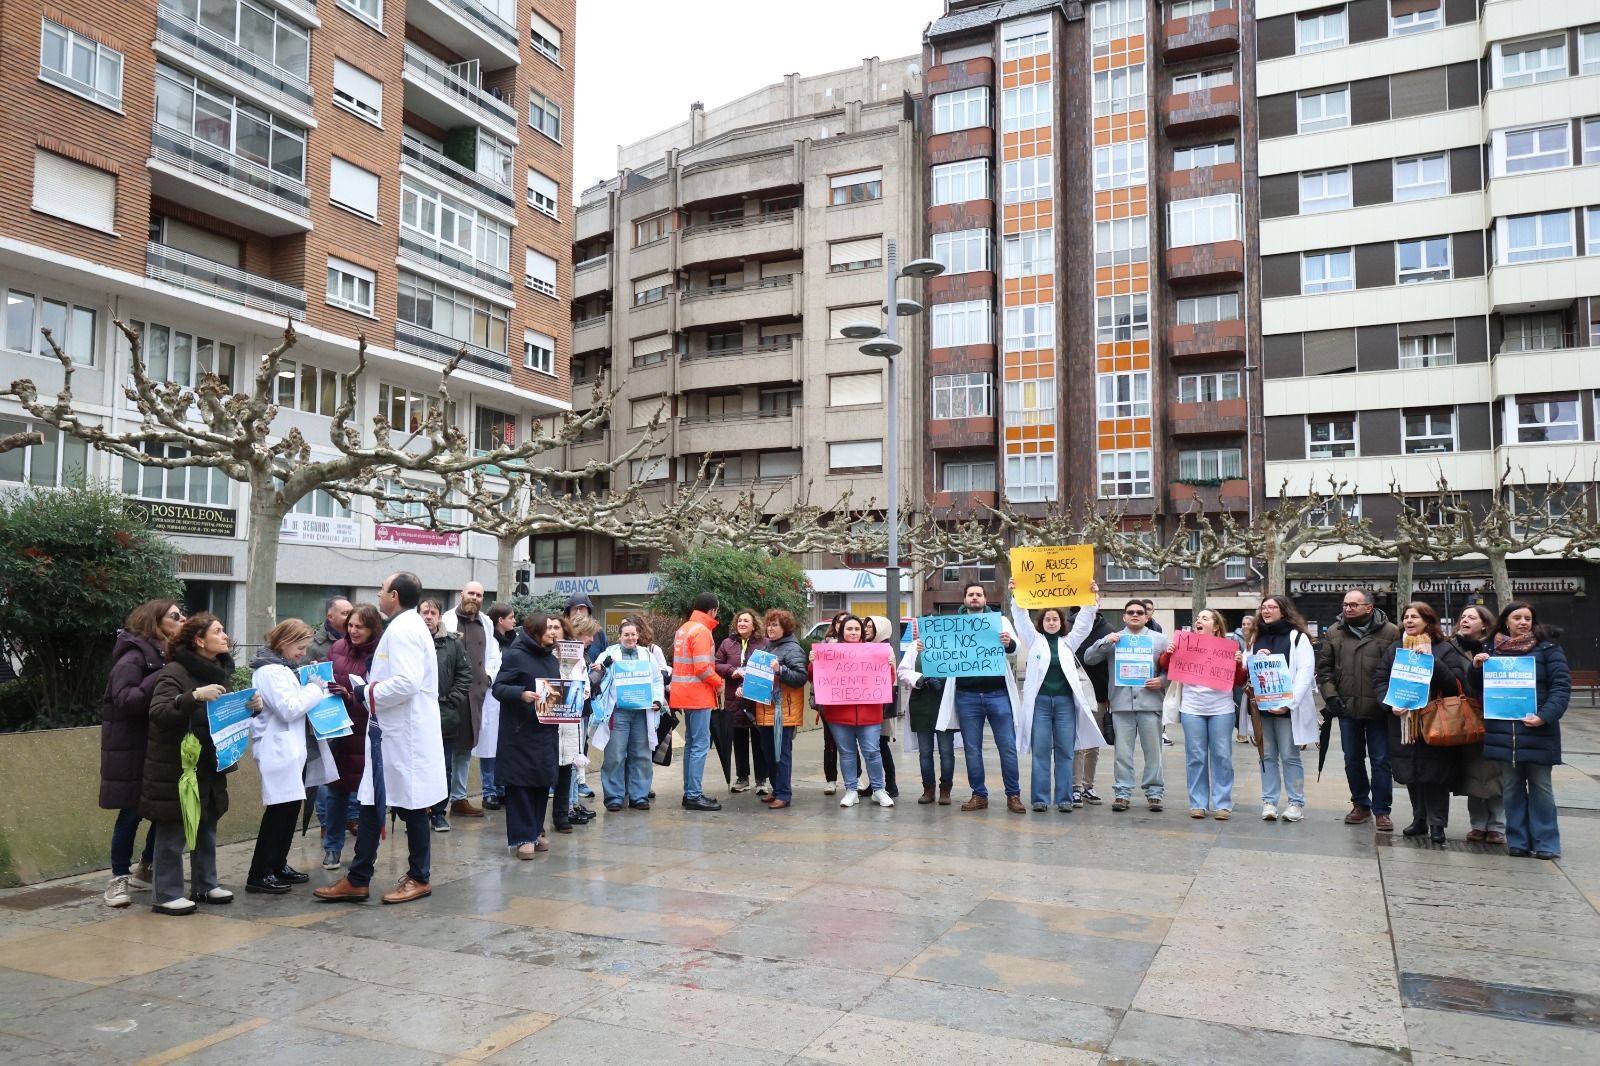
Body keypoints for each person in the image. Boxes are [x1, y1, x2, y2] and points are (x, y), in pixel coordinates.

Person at [314, 572, 443, 905]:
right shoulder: (404, 626)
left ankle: (419, 877)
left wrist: (364, 691)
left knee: (412, 804)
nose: (379, 594)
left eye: (382, 589)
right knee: (371, 801)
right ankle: (358, 878)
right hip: (389, 732)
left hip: (404, 734)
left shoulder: (404, 630)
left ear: (395, 595)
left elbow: (406, 683)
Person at [142, 613, 235, 915]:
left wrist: (250, 708)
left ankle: (205, 884)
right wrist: (193, 696)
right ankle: (166, 894)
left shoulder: (218, 671)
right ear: (199, 640)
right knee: (174, 829)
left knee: (206, 823)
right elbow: (159, 712)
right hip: (176, 766)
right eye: (217, 631)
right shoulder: (174, 671)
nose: (225, 636)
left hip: (208, 762)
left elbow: (223, 715)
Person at [101, 599, 183, 908]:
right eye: (175, 616)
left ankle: (146, 866)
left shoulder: (167, 655)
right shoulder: (132, 657)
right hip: (134, 748)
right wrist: (160, 675)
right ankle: (118, 878)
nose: (182, 620)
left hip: (159, 745)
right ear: (155, 622)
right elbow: (125, 700)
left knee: (163, 808)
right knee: (131, 812)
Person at [247, 619, 337, 894]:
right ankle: (260, 873)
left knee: (289, 810)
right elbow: (289, 708)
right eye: (300, 647)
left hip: (289, 749)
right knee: (278, 812)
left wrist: (307, 681)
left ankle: (277, 864)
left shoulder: (283, 669)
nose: (303, 652)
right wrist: (314, 688)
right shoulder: (270, 672)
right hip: (277, 749)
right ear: (284, 643)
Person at [1476, 600, 1570, 859]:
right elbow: (1478, 690)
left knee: (1541, 788)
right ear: (1506, 621)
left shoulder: (1548, 649)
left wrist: (1544, 716)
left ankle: (1546, 843)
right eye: (1517, 618)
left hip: (1538, 732)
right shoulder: (1491, 650)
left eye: (1527, 618)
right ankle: (1517, 841)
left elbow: (1561, 687)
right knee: (1511, 789)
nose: (1523, 622)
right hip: (1504, 733)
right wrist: (1477, 668)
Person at [1374, 601, 1470, 844]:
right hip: (1403, 722)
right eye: (1406, 616)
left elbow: (1455, 683)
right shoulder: (1395, 649)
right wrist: (1390, 704)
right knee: (1412, 773)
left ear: (1428, 621)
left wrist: (1432, 660)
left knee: (1435, 775)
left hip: (1434, 720)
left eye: (1414, 617)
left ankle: (1437, 823)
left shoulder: (1443, 649)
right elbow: (1381, 680)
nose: (1409, 620)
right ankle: (1419, 819)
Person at [1008, 578, 1104, 813]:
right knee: (1040, 751)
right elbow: (1020, 618)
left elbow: (1084, 622)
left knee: (1065, 751)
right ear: (1041, 623)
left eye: (1055, 619)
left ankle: (1064, 799)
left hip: (1064, 704)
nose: (1051, 622)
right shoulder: (1034, 641)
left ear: (1061, 623)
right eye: (1047, 619)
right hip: (1040, 704)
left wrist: (1091, 598)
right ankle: (1040, 799)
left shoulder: (1069, 643)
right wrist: (1017, 594)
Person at [934, 582, 1023, 813]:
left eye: (979, 594)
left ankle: (1013, 794)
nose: (975, 597)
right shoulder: (953, 625)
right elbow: (940, 653)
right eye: (971, 594)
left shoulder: (1000, 621)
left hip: (998, 694)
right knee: (972, 749)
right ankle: (979, 794)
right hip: (967, 696)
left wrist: (1009, 643)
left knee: (1007, 746)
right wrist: (927, 648)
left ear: (985, 599)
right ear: (964, 599)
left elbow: (1015, 648)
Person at [1315, 588, 1399, 831]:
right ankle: (1360, 804)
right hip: (1347, 708)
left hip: (1379, 710)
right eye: (1345, 604)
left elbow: (1398, 670)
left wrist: (1391, 701)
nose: (1348, 608)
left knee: (1381, 761)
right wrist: (1331, 696)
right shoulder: (1334, 632)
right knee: (1352, 759)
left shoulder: (1391, 632)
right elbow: (1325, 670)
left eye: (1353, 605)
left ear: (1369, 608)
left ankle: (1382, 810)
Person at [1083, 600, 1170, 812]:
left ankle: (1155, 793)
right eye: (1130, 612)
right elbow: (1088, 658)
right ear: (1124, 617)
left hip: (1150, 704)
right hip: (1121, 704)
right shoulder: (1114, 639)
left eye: (1140, 612)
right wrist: (1106, 642)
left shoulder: (1160, 640)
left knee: (1154, 752)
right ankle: (1122, 793)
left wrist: (1162, 681)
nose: (1135, 615)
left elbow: (1173, 668)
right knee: (1122, 753)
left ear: (1147, 617)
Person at [491, 612, 563, 858]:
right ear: (535, 631)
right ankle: (522, 837)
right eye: (548, 628)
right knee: (520, 784)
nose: (553, 632)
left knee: (541, 782)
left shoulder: (551, 658)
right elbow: (499, 688)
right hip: (520, 731)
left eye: (555, 628)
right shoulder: (515, 655)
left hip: (545, 729)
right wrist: (521, 694)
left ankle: (535, 830)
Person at [1164, 608, 1246, 819]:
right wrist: (1169, 653)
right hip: (1192, 709)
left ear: (1216, 626)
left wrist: (1238, 664)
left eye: (1205, 618)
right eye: (1197, 618)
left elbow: (1239, 680)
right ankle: (1198, 803)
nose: (1198, 621)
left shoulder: (1229, 648)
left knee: (1222, 756)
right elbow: (1165, 666)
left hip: (1221, 709)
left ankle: (1222, 804)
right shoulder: (1185, 644)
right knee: (1196, 756)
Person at [811, 615, 895, 808]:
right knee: (847, 753)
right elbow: (814, 677)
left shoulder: (874, 651)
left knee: (872, 752)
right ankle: (851, 790)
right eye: (849, 629)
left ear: (862, 632)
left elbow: (887, 682)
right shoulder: (830, 651)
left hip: (869, 714)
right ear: (842, 631)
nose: (853, 632)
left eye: (857, 629)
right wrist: (813, 662)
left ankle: (878, 790)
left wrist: (889, 666)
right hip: (839, 714)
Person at [1247, 595, 1318, 823]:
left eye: (1272, 607)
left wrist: (1289, 703)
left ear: (1284, 610)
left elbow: (1305, 672)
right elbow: (1247, 668)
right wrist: (1254, 659)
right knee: (1266, 755)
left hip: (1287, 710)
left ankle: (1295, 803)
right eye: (1263, 607)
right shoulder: (1256, 637)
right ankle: (1269, 802)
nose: (1266, 611)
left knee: (1289, 756)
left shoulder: (1297, 638)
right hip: (1262, 708)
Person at [323, 604, 382, 869]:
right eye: (351, 626)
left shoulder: (381, 654)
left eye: (360, 627)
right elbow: (327, 681)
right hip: (339, 731)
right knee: (336, 793)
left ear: (373, 629)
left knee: (368, 796)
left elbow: (381, 694)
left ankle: (367, 851)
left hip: (367, 731)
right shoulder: (337, 648)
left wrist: (351, 696)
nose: (354, 631)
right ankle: (332, 848)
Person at [592, 618, 667, 811]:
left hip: (642, 713)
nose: (630, 638)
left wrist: (658, 700)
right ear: (620, 636)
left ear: (638, 635)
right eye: (626, 634)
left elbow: (657, 680)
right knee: (615, 755)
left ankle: (639, 796)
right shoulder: (609, 654)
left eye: (633, 634)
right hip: (618, 713)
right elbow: (596, 674)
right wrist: (602, 668)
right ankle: (614, 797)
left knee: (641, 755)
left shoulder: (647, 655)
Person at [441, 581, 500, 820]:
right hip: (449, 694)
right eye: (471, 593)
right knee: (444, 748)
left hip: (475, 694)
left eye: (479, 595)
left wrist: (488, 677)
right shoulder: (446, 620)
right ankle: (437, 803)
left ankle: (459, 798)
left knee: (465, 746)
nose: (474, 598)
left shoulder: (486, 622)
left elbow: (493, 654)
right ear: (461, 594)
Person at [1450, 605, 1504, 844]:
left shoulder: (1497, 647)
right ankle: (1478, 824)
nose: (1465, 620)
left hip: (1494, 716)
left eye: (1472, 617)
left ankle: (1498, 825)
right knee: (1473, 771)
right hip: (1464, 717)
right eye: (1463, 617)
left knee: (1496, 772)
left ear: (1484, 624)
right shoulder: (1451, 647)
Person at [422, 599, 473, 833]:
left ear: (440, 617)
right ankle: (418, 814)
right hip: (417, 716)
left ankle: (438, 813)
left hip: (445, 715)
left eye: (433, 613)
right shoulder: (412, 640)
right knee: (418, 767)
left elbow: (465, 674)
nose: (428, 616)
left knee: (443, 767)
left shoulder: (453, 643)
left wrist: (452, 699)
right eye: (424, 612)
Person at [670, 592, 724, 811]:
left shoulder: (684, 629)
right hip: (698, 695)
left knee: (692, 744)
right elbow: (703, 668)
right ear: (712, 611)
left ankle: (690, 792)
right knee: (700, 744)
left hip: (684, 693)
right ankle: (693, 794)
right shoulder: (702, 631)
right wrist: (719, 682)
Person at [750, 609, 806, 809]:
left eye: (775, 625)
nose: (770, 628)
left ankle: (784, 794)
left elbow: (800, 678)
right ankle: (777, 790)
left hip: (784, 711)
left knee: (781, 754)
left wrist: (780, 670)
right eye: (769, 624)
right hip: (766, 709)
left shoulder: (793, 649)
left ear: (785, 628)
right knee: (768, 752)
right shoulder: (769, 647)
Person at [714, 609, 770, 795]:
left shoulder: (764, 644)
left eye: (746, 621)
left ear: (754, 625)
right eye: (739, 621)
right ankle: (742, 778)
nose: (742, 624)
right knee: (738, 740)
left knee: (759, 740)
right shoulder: (727, 643)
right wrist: (732, 671)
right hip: (734, 700)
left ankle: (761, 780)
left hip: (756, 700)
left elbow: (767, 668)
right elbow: (716, 663)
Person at [898, 635, 952, 805]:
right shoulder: (915, 646)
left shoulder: (951, 643)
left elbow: (959, 669)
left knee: (946, 751)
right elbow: (903, 671)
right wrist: (922, 679)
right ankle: (928, 788)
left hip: (943, 704)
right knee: (925, 751)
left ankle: (945, 789)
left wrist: (943, 679)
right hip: (921, 705)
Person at [1070, 604, 1113, 806]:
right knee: (1078, 745)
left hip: (1098, 694)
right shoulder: (1068, 627)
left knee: (1093, 744)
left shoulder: (1108, 629)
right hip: (1074, 695)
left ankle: (1088, 785)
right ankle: (1075, 787)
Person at [477, 603, 517, 810]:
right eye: (511, 617)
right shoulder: (488, 639)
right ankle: (489, 790)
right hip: (491, 696)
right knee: (489, 745)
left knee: (504, 745)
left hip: (508, 696)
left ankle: (502, 788)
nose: (514, 621)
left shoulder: (514, 640)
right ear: (500, 620)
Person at [816, 611, 857, 796]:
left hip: (853, 702)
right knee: (830, 743)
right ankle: (831, 779)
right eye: (839, 622)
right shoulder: (825, 647)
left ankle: (856, 778)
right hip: (830, 704)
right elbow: (816, 676)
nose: (842, 624)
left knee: (853, 744)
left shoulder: (862, 647)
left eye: (846, 622)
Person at [1231, 614, 1257, 743]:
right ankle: (1242, 731)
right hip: (1242, 680)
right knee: (1241, 706)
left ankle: (1252, 731)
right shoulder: (1237, 638)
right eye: (1243, 624)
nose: (1245, 626)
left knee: (1251, 708)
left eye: (1248, 624)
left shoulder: (1257, 640)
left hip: (1253, 680)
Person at [307, 596, 353, 663]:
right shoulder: (312, 646)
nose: (352, 617)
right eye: (345, 613)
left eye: (353, 613)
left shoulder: (359, 639)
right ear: (330, 617)